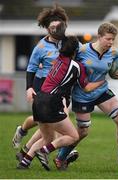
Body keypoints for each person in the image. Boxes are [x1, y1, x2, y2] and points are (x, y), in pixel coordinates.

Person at [55, 22, 118, 170]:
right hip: (82, 94)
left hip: (102, 91)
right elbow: (67, 66)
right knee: (82, 132)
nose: (111, 42)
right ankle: (61, 157)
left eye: (113, 39)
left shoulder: (114, 52)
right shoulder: (82, 50)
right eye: (108, 39)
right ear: (99, 37)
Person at [17, 35, 105, 170]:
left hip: (38, 99)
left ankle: (24, 162)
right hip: (52, 102)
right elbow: (87, 88)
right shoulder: (77, 66)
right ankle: (44, 151)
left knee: (47, 138)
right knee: (73, 136)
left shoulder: (57, 60)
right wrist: (102, 81)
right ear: (76, 51)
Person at [12, 4, 79, 166]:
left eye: (59, 26)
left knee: (49, 123)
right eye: (53, 27)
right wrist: (29, 88)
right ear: (47, 28)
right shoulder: (40, 47)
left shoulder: (68, 42)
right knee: (51, 121)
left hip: (63, 88)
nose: (56, 29)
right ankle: (28, 137)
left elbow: (80, 55)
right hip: (43, 86)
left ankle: (27, 153)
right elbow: (31, 68)